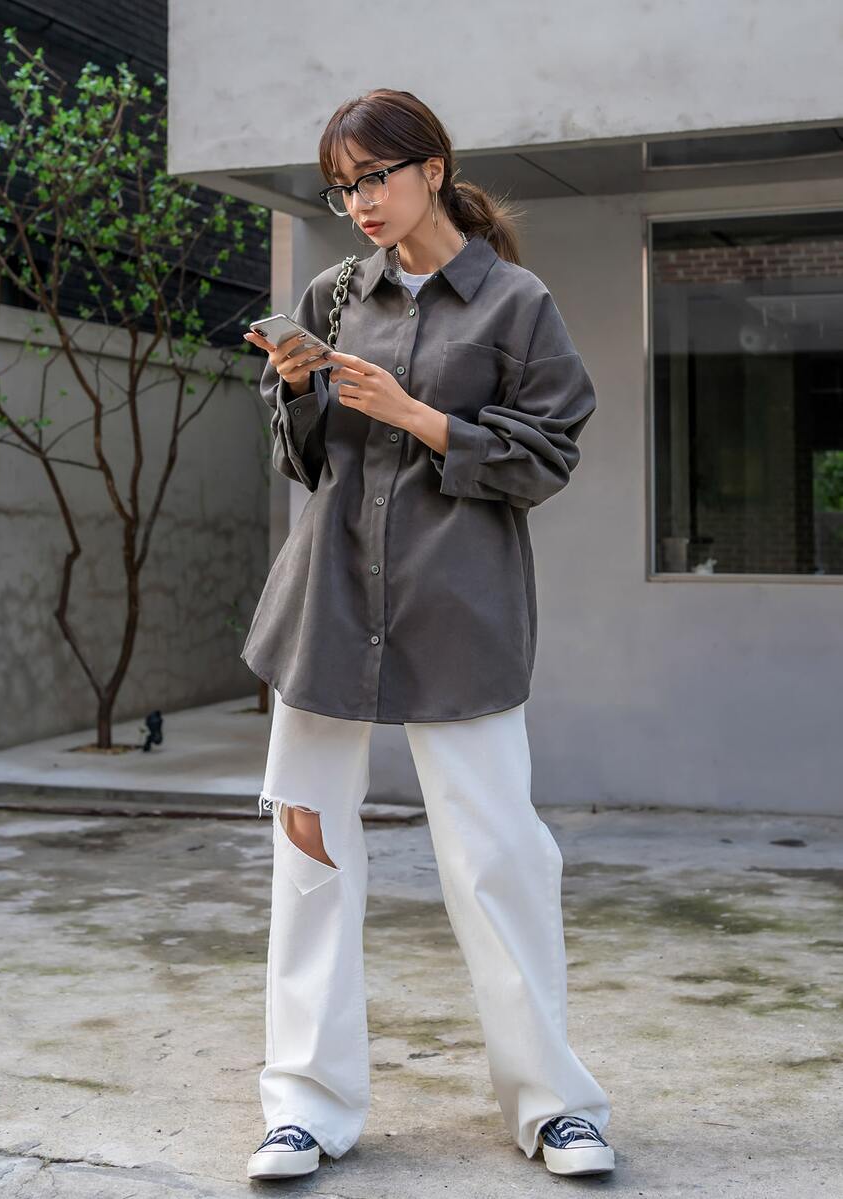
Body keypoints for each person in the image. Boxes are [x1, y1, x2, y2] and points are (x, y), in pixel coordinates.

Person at [241, 87, 614, 1181]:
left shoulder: (517, 301)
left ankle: (554, 1104)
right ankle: (304, 1105)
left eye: (375, 177)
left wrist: (416, 414)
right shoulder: (330, 295)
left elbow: (548, 455)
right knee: (310, 851)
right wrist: (297, 388)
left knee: (499, 857)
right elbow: (302, 459)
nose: (358, 202)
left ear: (433, 169)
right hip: (327, 606)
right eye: (341, 186)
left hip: (461, 608)